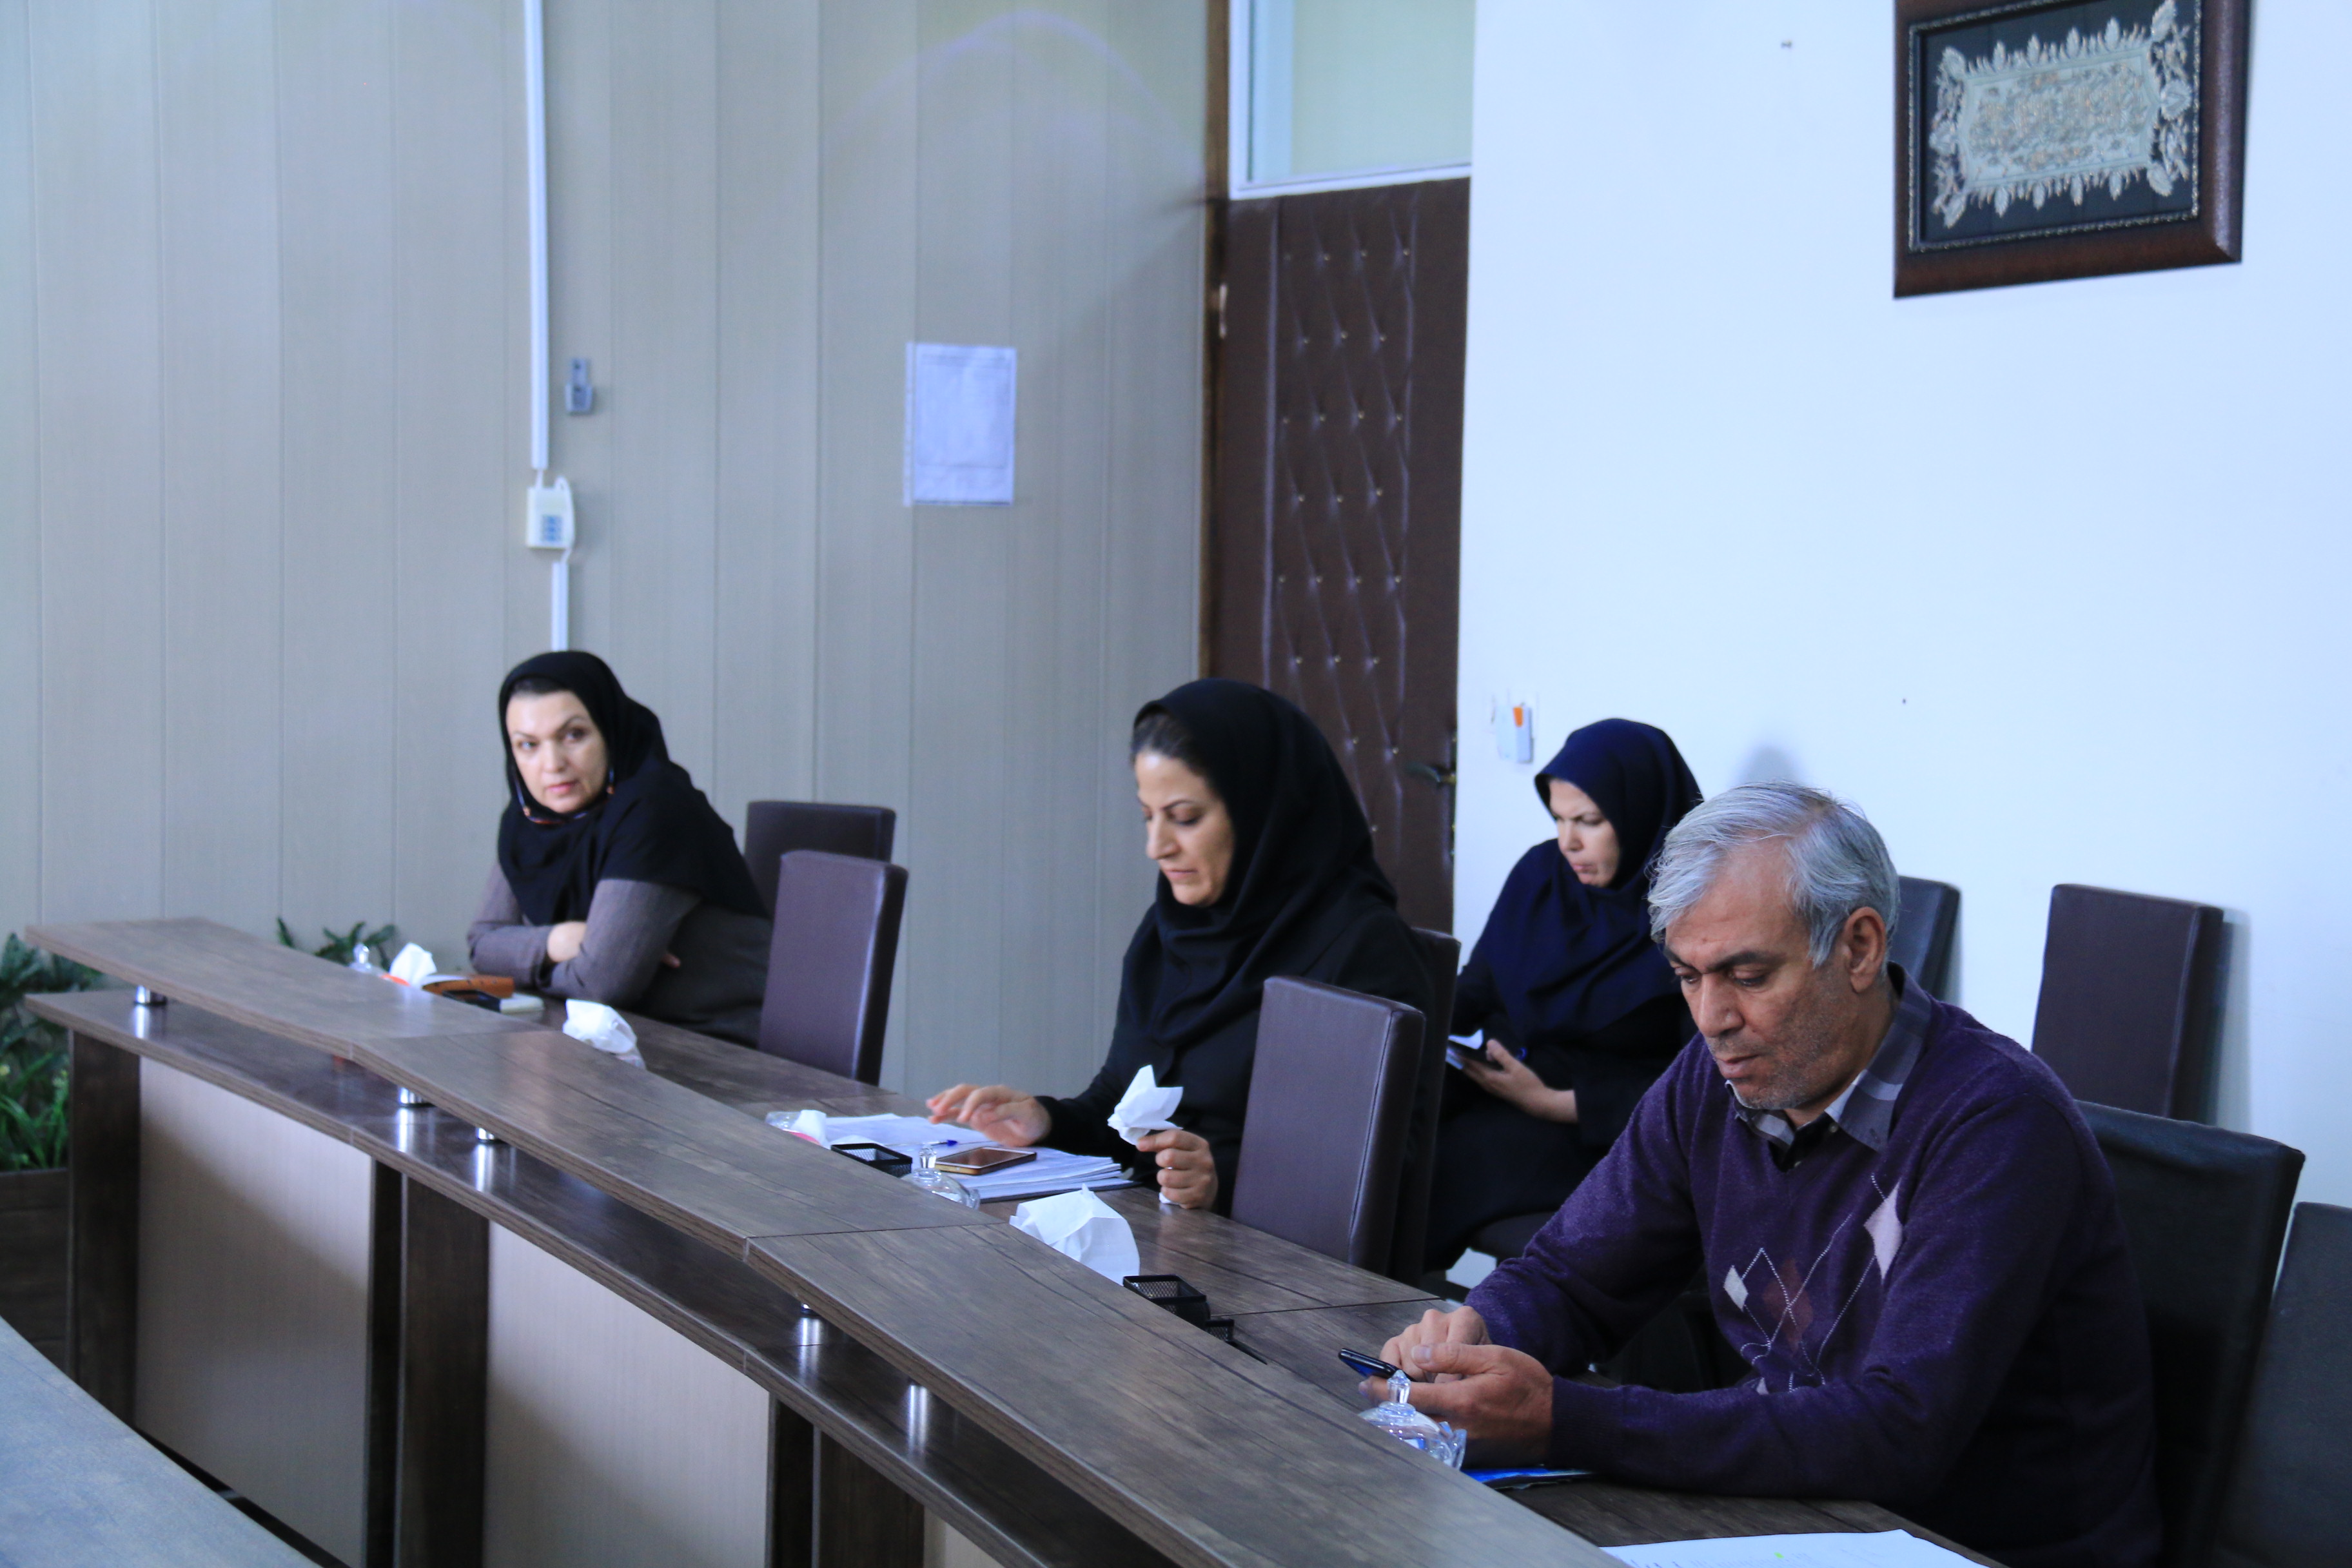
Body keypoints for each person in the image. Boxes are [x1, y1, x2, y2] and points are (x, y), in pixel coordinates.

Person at [1373, 783, 2159, 1568]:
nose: (1711, 1018)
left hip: (1976, 1546)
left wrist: (1562, 1420)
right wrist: (1476, 1338)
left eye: (1747, 975)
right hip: (1797, 1515)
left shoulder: (1995, 1122)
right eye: (1688, 975)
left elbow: (1901, 1428)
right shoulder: (1715, 1077)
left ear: (1859, 948)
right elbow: (1573, 1276)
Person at [926, 679, 1433, 1212]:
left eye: (1185, 818)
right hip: (1153, 1228)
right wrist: (1047, 1120)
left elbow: (1376, 1173)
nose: (1157, 847)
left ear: (1264, 810)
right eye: (1149, 816)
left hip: (1267, 1256)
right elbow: (1124, 1107)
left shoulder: (1361, 947)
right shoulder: (1172, 927)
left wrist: (1221, 1181)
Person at [1426, 719, 1701, 1273]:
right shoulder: (1542, 875)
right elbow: (1482, 984)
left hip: (1605, 1128)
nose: (1568, 842)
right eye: (1559, 819)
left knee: (1446, 1162)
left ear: (1642, 813)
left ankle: (1394, 1307)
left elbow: (1700, 1086)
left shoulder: (1694, 910)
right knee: (1398, 1128)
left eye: (1589, 822)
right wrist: (1416, 1029)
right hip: (1501, 1084)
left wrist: (1552, 1103)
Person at [469, 652, 773, 1046]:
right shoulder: (529, 820)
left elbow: (600, 984)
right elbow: (482, 945)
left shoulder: (656, 809)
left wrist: (525, 965)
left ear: (609, 729)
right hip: (607, 1037)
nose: (552, 764)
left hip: (712, 1046)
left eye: (574, 736)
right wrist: (558, 941)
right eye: (528, 745)